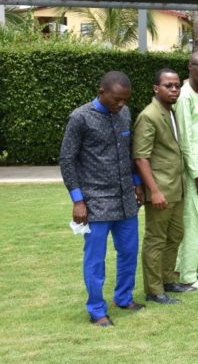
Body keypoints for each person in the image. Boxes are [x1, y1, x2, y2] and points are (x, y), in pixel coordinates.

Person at [60, 71, 145, 327]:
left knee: (129, 252)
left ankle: (123, 297)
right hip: (95, 201)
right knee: (95, 258)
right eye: (116, 99)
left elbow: (128, 153)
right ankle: (97, 310)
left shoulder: (125, 113)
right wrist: (77, 200)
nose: (121, 105)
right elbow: (67, 159)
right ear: (101, 92)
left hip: (125, 200)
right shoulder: (80, 118)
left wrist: (138, 184)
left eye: (124, 100)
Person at [133, 68, 188, 305]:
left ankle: (168, 280)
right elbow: (141, 157)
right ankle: (154, 290)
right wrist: (153, 191)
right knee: (155, 239)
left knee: (175, 235)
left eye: (176, 85)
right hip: (160, 190)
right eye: (168, 85)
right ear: (156, 88)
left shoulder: (171, 111)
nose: (174, 89)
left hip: (176, 187)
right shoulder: (149, 115)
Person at [174, 52, 198, 289]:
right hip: (193, 171)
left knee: (195, 222)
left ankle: (181, 267)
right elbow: (185, 140)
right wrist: (197, 174)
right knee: (194, 223)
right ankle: (188, 277)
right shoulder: (185, 96)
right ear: (189, 67)